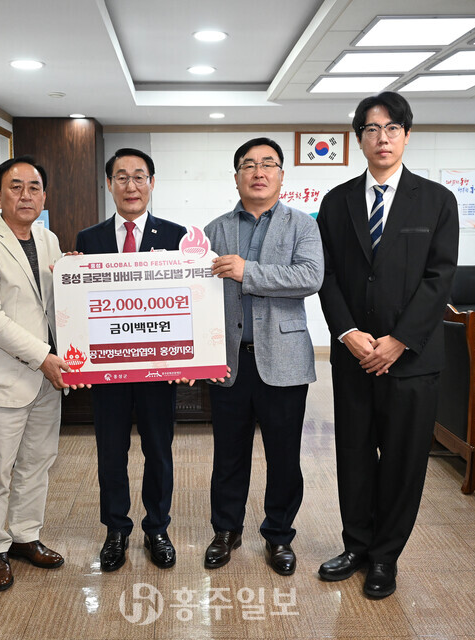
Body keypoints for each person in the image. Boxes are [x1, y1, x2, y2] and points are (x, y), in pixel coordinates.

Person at [316, 92, 459, 598]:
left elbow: (439, 278)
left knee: (402, 461)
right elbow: (326, 275)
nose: (383, 138)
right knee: (354, 455)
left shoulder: (437, 200)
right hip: (354, 356)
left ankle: (385, 557)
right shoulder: (336, 202)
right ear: (359, 138)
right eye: (372, 129)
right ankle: (356, 545)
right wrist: (347, 332)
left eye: (392, 128)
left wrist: (399, 340)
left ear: (406, 136)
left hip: (412, 361)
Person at [202, 137, 324, 576]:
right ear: (236, 176)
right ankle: (226, 530)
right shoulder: (214, 230)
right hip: (229, 360)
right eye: (249, 165)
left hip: (285, 359)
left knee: (284, 456)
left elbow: (310, 277)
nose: (258, 172)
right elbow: (195, 289)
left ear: (281, 176)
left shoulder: (302, 225)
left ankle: (279, 535)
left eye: (268, 163)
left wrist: (246, 271)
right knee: (228, 454)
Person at [0, 156, 73, 592]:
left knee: (37, 463)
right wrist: (43, 356)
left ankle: (26, 536)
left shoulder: (48, 239)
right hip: (3, 380)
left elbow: (54, 303)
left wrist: (75, 274)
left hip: (46, 378)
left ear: (44, 195)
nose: (26, 195)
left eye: (34, 187)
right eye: (16, 187)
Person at [75, 148, 187, 572]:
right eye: (121, 177)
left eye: (139, 176)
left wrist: (189, 359)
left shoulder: (176, 236)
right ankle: (116, 530)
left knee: (159, 451)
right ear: (109, 184)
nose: (131, 185)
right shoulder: (89, 239)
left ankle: (157, 527)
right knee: (111, 453)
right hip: (109, 369)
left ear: (152, 183)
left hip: (158, 369)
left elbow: (187, 300)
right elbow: (81, 303)